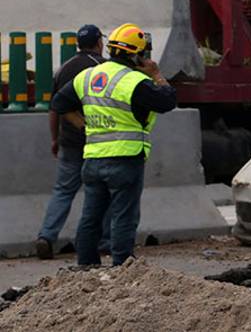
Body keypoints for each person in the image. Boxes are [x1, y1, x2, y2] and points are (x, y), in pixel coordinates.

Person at [49, 23, 176, 266]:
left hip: (94, 159)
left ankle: (86, 266)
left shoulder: (88, 76)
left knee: (91, 217)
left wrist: (83, 125)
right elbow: (168, 101)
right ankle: (122, 267)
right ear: (136, 55)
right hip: (126, 159)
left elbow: (58, 103)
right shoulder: (134, 81)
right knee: (123, 216)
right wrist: (157, 74)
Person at [34, 25, 111, 259]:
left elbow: (54, 108)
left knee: (63, 190)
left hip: (69, 141)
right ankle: (104, 241)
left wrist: (55, 138)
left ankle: (46, 236)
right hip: (98, 141)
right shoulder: (104, 68)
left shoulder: (63, 69)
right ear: (99, 42)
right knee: (101, 190)